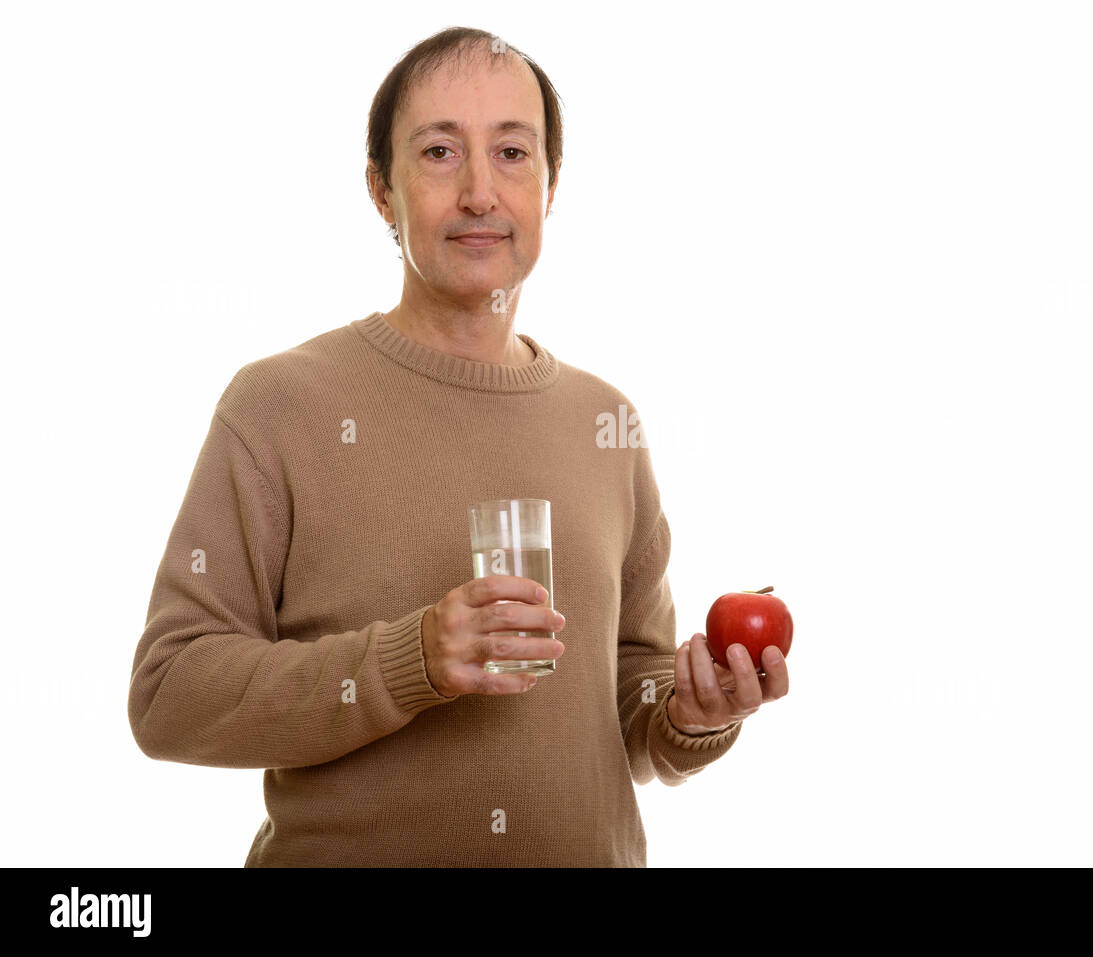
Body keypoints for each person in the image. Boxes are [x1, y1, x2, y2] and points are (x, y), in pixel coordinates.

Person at [127, 26, 789, 867]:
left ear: (552, 187)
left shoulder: (606, 421)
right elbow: (168, 695)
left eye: (513, 152)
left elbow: (632, 708)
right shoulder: (278, 404)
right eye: (440, 152)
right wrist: (412, 662)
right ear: (380, 190)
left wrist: (694, 715)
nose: (481, 191)